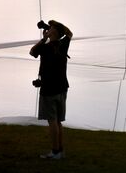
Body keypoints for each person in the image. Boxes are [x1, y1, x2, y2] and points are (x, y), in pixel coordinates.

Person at [30, 20, 72, 160]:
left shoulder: (46, 47)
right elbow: (69, 33)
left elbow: (32, 51)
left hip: (49, 89)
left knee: (52, 121)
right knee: (58, 121)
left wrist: (44, 37)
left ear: (54, 32)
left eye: (52, 28)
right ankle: (60, 151)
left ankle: (55, 152)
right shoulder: (63, 44)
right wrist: (55, 27)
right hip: (62, 88)